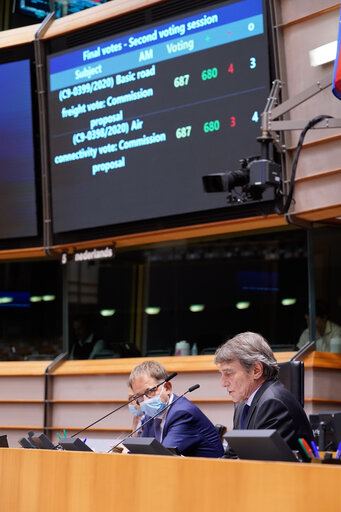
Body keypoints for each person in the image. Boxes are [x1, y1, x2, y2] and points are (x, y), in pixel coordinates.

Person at [214, 331, 314, 452]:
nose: (223, 383)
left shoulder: (273, 403)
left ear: (256, 370)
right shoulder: (242, 406)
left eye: (229, 373)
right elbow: (233, 454)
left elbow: (263, 462)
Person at [128, 360, 224, 458]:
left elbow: (164, 457)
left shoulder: (183, 414)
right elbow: (142, 452)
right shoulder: (150, 415)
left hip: (209, 471)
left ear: (167, 387)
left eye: (150, 391)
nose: (145, 400)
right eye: (138, 396)